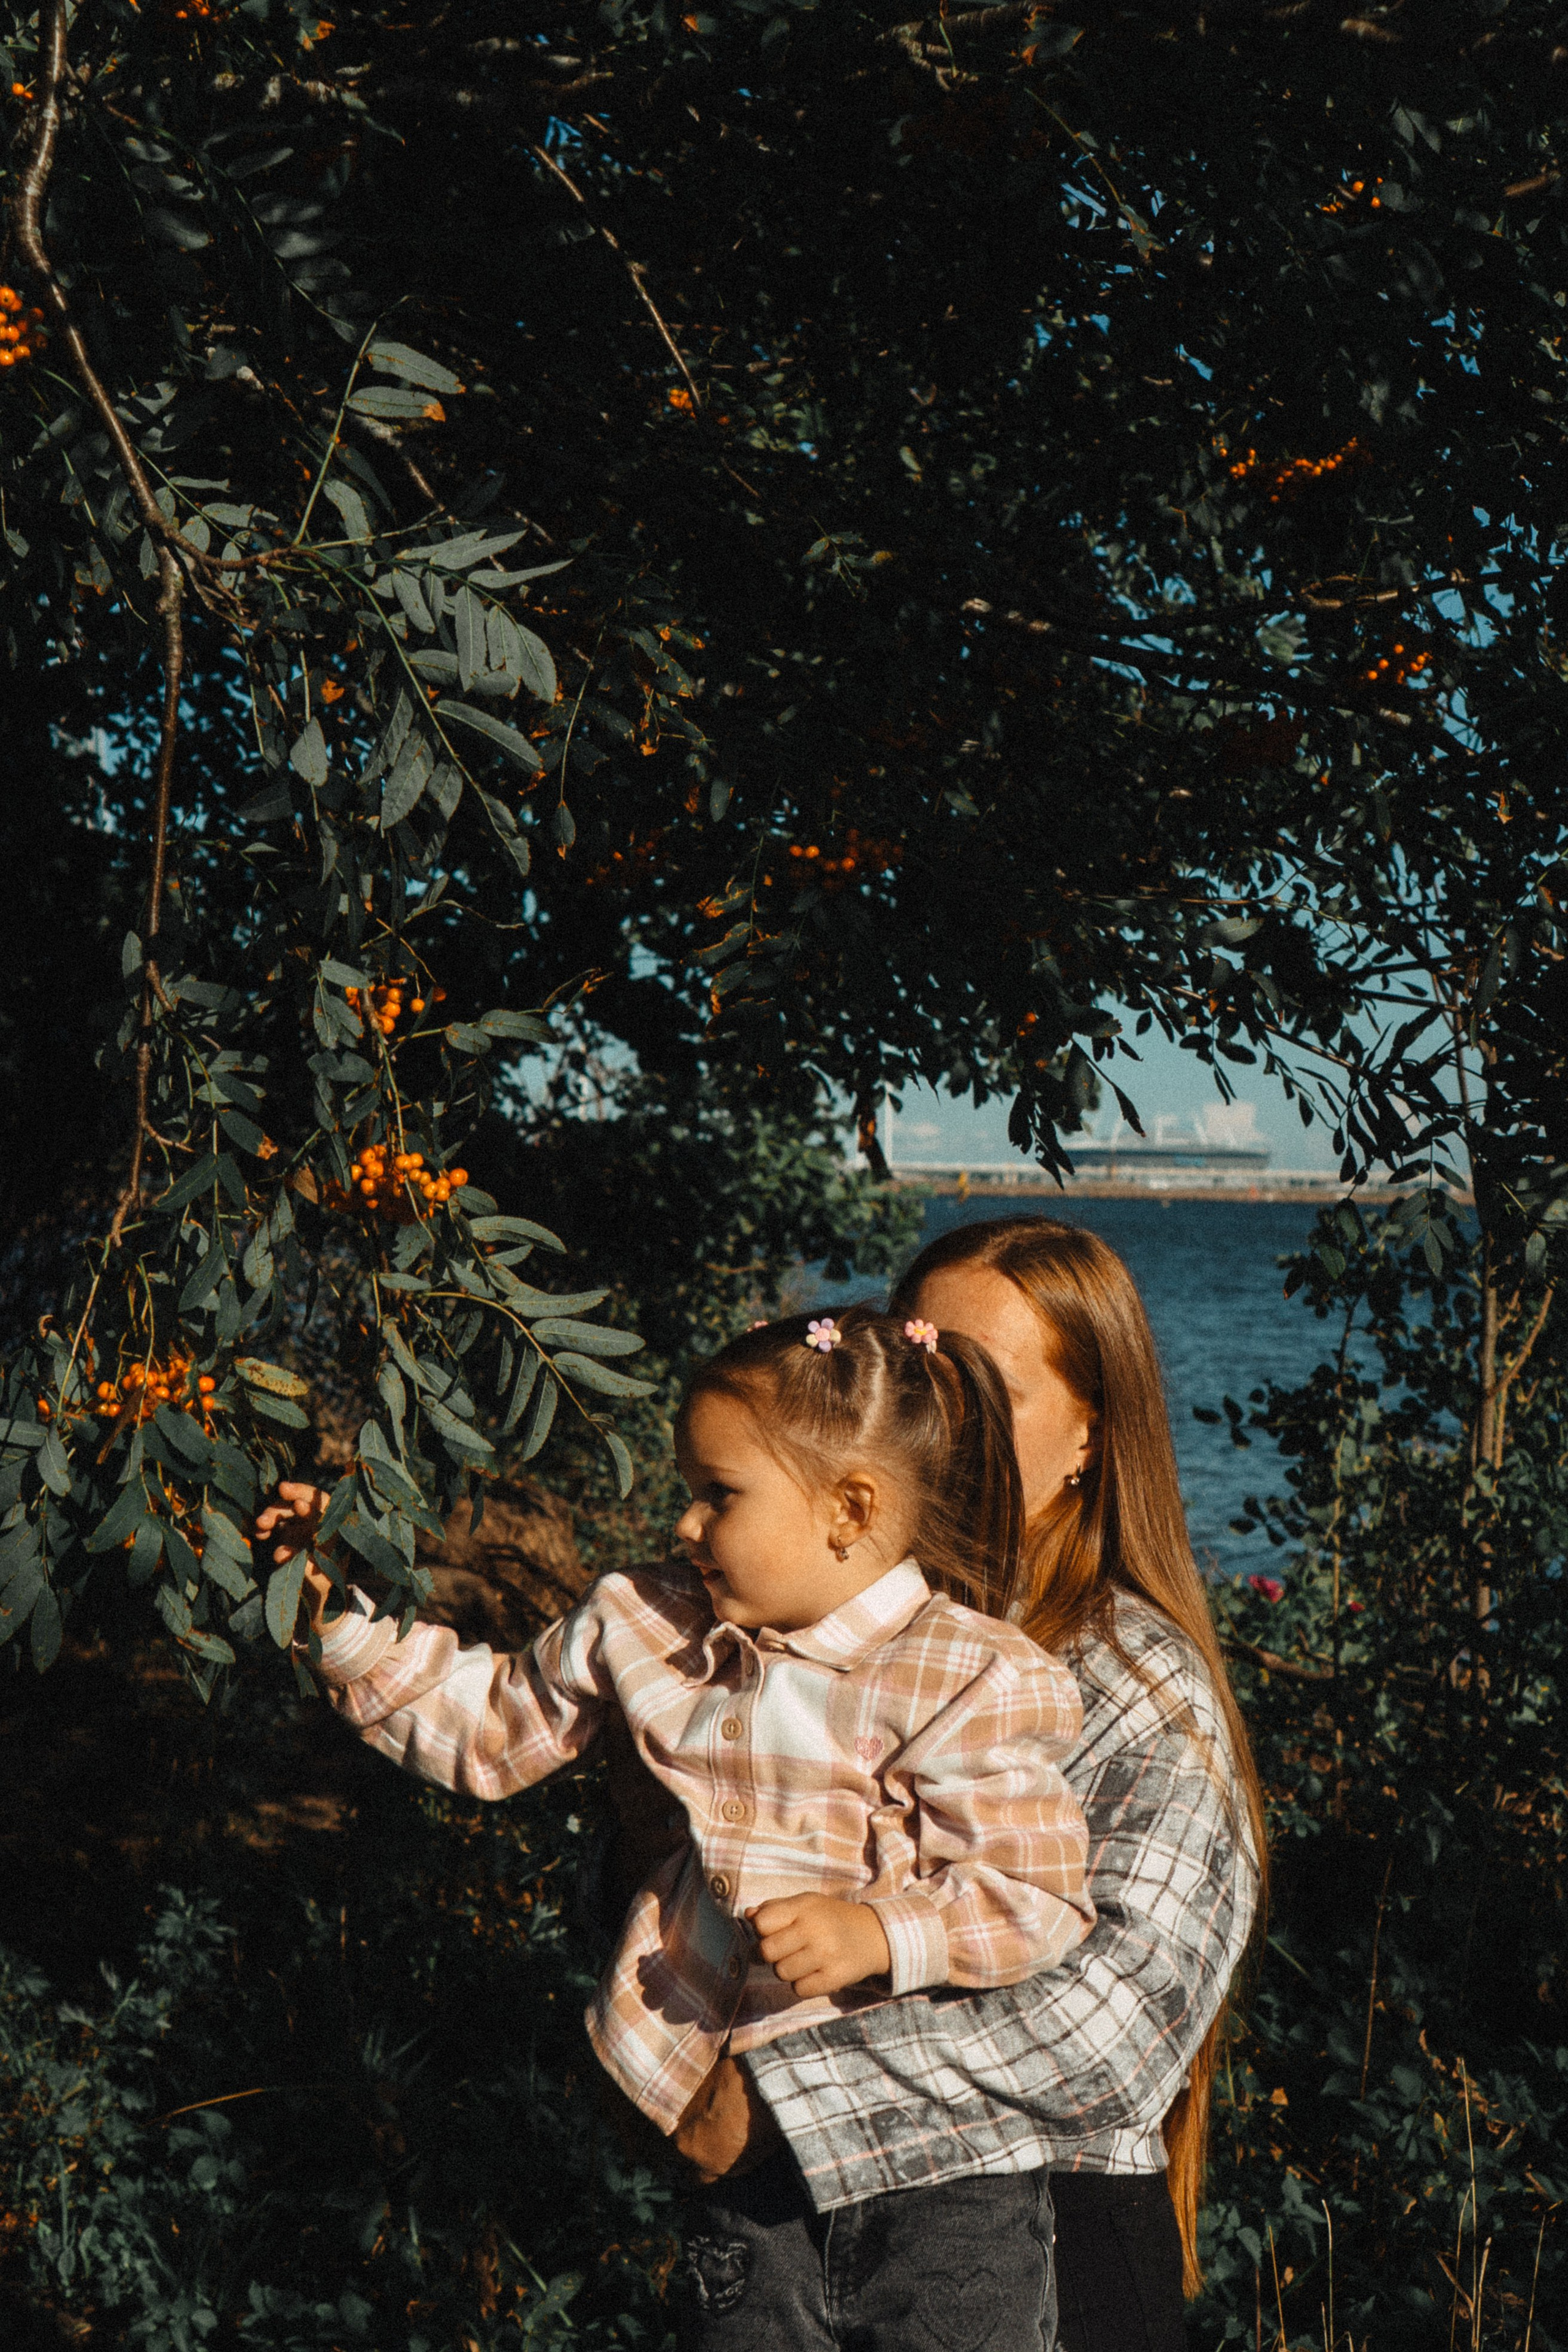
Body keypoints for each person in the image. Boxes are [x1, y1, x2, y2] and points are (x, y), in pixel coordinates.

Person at [258, 1302, 1095, 2346]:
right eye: (690, 1491)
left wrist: (883, 1933)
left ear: (850, 1508)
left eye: (719, 1495)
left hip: (942, 2181)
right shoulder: (647, 1624)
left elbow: (1039, 1893)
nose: (686, 1525)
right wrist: (332, 1614)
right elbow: (488, 1727)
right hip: (744, 2172)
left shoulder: (967, 1673)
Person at [662, 1217, 1266, 2352]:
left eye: (991, 1385)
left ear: (1092, 1435)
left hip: (1052, 2258)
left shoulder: (1140, 1689)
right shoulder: (817, 1629)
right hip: (780, 2248)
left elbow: (1115, 2027)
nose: (955, 1416)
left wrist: (784, 2095)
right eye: (927, 1366)